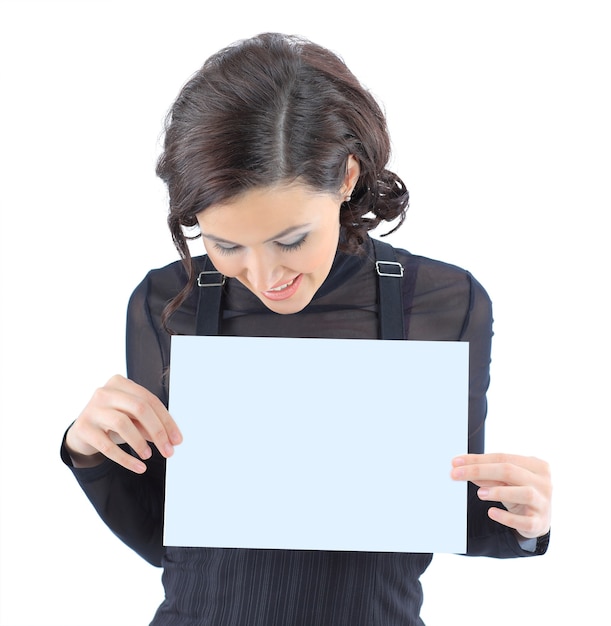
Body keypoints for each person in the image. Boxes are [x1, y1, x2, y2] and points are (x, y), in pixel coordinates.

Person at [61, 32, 552, 626]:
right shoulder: (168, 302)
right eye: (226, 245)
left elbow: (444, 519)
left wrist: (528, 520)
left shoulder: (445, 303)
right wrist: (88, 452)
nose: (265, 276)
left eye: (290, 239)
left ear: (346, 178)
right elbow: (165, 542)